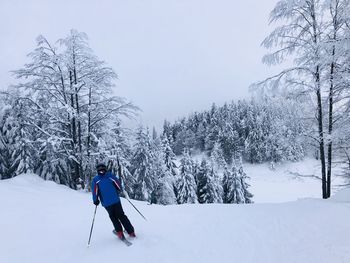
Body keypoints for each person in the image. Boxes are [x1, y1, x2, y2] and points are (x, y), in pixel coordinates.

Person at [91, 163, 136, 239]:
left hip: (107, 203)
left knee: (113, 217)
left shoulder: (96, 180)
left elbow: (94, 191)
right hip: (115, 200)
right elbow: (118, 185)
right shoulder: (110, 176)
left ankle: (120, 233)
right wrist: (119, 189)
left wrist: (95, 200)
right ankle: (131, 232)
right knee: (121, 215)